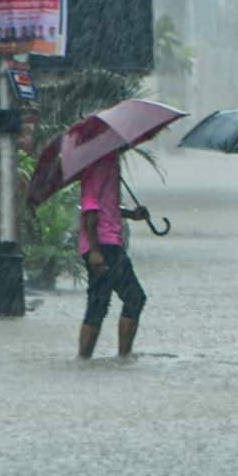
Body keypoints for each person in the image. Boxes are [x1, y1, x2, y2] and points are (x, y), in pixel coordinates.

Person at [76, 151, 151, 359]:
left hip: (109, 243)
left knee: (99, 303)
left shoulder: (111, 164)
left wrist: (131, 214)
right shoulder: (97, 165)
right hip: (104, 245)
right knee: (132, 298)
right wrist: (94, 251)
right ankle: (122, 356)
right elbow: (90, 210)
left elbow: (106, 207)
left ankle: (86, 360)